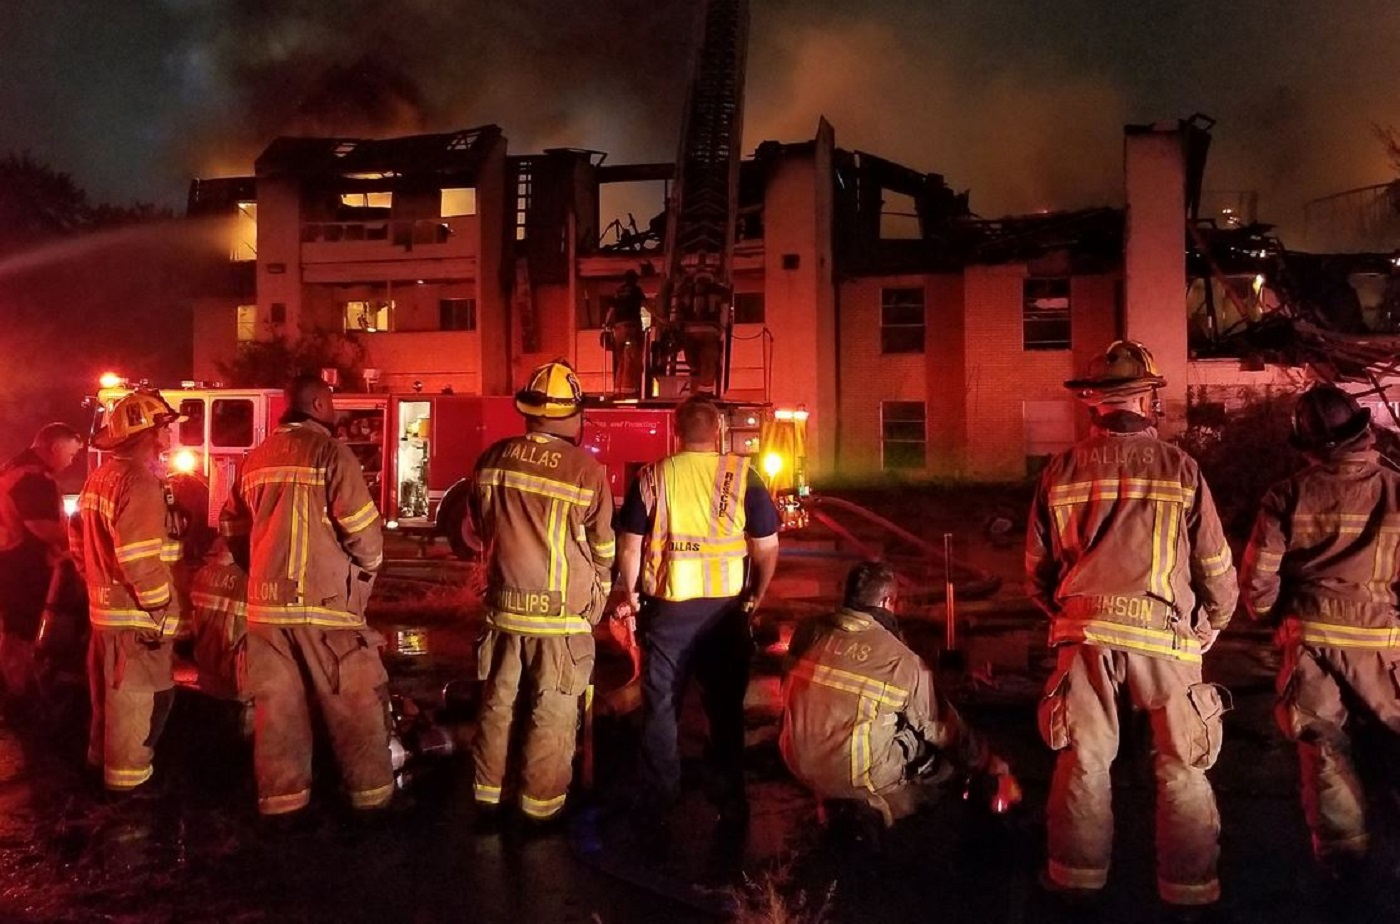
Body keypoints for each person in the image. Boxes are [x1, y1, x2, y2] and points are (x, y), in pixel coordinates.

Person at [1025, 340, 1238, 913]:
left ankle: (1075, 884)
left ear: (1091, 402)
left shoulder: (1060, 470)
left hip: (1085, 636)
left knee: (1085, 760)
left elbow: (1036, 572)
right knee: (1180, 764)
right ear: (1148, 398)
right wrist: (1211, 624)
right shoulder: (1181, 468)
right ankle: (1189, 894)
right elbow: (1215, 563)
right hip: (1166, 637)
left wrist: (1069, 618)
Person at [1240, 384, 1400, 880]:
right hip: (1384, 640)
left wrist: (1269, 616)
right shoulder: (1398, 489)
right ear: (1363, 431)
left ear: (1310, 445)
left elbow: (1259, 578)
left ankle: (1343, 856)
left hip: (1310, 637)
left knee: (1323, 743)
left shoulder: (1287, 494)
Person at [220, 374, 391, 818]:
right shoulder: (331, 453)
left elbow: (232, 528)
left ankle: (283, 804)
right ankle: (372, 803)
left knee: (277, 714)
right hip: (326, 608)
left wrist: (258, 568)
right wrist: (365, 573)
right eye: (332, 404)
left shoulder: (254, 459)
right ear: (316, 403)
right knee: (354, 705)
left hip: (265, 611)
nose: (336, 413)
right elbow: (363, 534)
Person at [612, 395, 781, 834]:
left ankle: (658, 799)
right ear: (721, 433)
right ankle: (728, 799)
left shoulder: (652, 477)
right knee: (725, 711)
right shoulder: (745, 475)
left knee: (662, 708)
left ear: (675, 431)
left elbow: (630, 545)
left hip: (668, 613)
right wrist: (755, 597)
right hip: (726, 616)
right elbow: (766, 548)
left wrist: (626, 593)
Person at [469, 359, 614, 827]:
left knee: (498, 707)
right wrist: (599, 599)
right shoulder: (585, 470)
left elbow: (478, 524)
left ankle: (488, 798)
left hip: (503, 611)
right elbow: (603, 547)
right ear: (571, 415)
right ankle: (539, 811)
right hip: (560, 620)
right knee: (551, 713)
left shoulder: (492, 459)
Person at [780, 561, 1019, 827]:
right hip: (857, 776)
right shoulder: (899, 659)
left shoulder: (808, 632)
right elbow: (943, 727)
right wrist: (985, 759)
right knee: (932, 753)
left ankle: (832, 799)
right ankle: (892, 812)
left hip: (796, 762)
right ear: (886, 602)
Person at [72, 391, 186, 793]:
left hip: (106, 617)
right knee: (143, 706)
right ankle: (127, 804)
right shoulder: (138, 483)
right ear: (149, 434)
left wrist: (99, 586)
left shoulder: (100, 478)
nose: (169, 435)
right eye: (164, 427)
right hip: (138, 624)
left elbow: (77, 544)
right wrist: (164, 613)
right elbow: (139, 561)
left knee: (109, 706)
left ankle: (97, 776)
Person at [0, 422, 83, 713]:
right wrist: (80, 544)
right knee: (21, 633)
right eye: (71, 454)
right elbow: (42, 526)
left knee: (13, 631)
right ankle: (18, 698)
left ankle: (16, 690)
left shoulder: (16, 468)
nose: (71, 461)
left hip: (11, 564)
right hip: (21, 569)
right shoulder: (33, 478)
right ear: (55, 447)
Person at [187, 538, 248, 707]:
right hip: (235, 683)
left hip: (204, 676)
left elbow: (190, 627)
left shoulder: (200, 575)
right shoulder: (248, 580)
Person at [603, 270, 646, 397]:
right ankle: (630, 391)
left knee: (620, 359)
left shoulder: (618, 292)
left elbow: (611, 311)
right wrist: (661, 319)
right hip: (632, 328)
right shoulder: (636, 290)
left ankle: (618, 390)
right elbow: (647, 305)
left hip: (619, 330)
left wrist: (606, 326)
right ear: (635, 280)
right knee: (632, 359)